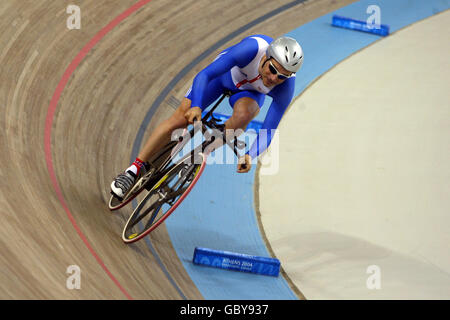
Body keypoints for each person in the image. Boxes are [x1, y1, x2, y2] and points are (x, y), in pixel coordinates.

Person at [111, 34, 303, 199]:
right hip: (221, 78)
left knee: (247, 113)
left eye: (282, 77)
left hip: (247, 95)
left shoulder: (285, 88)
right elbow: (204, 75)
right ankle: (133, 170)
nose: (273, 79)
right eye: (273, 70)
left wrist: (249, 155)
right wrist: (195, 107)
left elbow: (269, 130)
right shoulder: (251, 49)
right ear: (265, 58)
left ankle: (205, 150)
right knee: (180, 120)